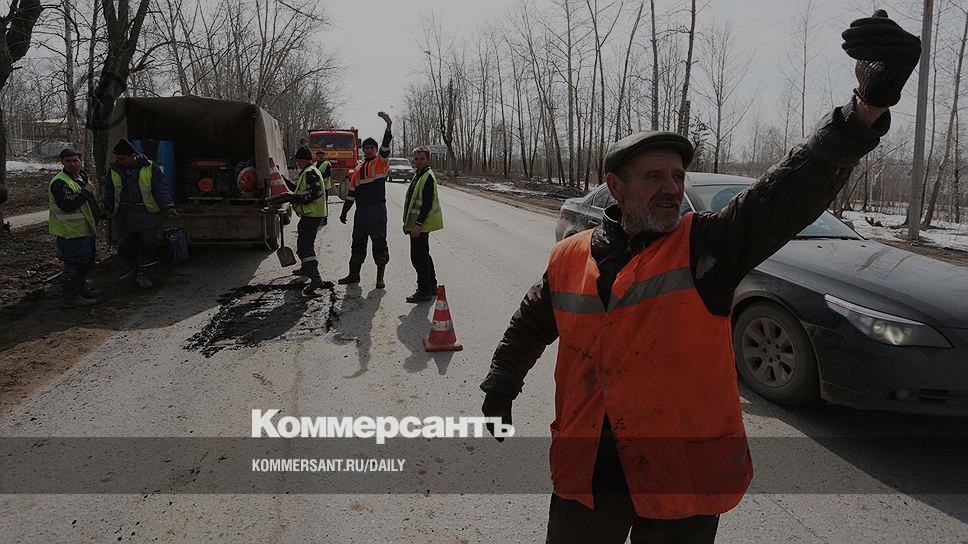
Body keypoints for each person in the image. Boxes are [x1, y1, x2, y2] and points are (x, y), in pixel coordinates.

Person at [479, 11, 920, 544]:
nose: (672, 188)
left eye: (677, 175)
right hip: (588, 469)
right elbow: (531, 322)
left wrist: (864, 111)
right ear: (615, 187)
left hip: (681, 480)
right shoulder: (570, 256)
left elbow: (787, 192)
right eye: (654, 177)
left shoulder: (709, 245)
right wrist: (502, 381)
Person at [102, 138, 177, 289]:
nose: (120, 161)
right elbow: (109, 190)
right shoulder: (114, 170)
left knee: (147, 245)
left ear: (132, 155)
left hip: (146, 215)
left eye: (122, 158)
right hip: (125, 215)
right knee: (125, 246)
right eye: (118, 158)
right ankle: (135, 271)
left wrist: (167, 206)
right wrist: (106, 206)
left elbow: (160, 189)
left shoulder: (150, 168)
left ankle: (145, 274)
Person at [337, 111, 393, 289]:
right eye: (366, 147)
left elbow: (386, 145)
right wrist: (345, 211)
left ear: (375, 149)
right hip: (361, 212)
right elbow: (351, 193)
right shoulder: (358, 169)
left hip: (376, 210)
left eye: (371, 147)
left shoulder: (380, 162)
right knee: (357, 243)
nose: (369, 149)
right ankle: (354, 275)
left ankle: (380, 279)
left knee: (379, 243)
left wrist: (388, 125)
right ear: (363, 149)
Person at [48, 148, 101, 307]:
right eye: (68, 161)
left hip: (84, 230)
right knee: (73, 263)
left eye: (75, 160)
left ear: (80, 161)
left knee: (84, 262)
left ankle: (81, 290)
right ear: (62, 162)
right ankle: (70, 297)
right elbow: (68, 204)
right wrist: (86, 191)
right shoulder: (60, 182)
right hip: (70, 232)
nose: (72, 164)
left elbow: (90, 202)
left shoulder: (82, 177)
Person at [402, 146, 441, 303]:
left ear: (428, 160)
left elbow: (426, 204)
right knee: (424, 256)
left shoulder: (427, 177)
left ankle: (424, 291)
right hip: (418, 224)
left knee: (418, 259)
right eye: (416, 158)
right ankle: (431, 286)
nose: (418, 161)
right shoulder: (419, 174)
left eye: (422, 159)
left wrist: (418, 225)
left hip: (421, 224)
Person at [289, 145, 329, 295]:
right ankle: (305, 269)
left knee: (305, 246)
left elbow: (316, 192)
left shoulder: (310, 172)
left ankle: (315, 277)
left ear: (301, 160)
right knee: (303, 242)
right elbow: (300, 190)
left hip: (312, 214)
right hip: (311, 214)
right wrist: (286, 183)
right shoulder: (308, 171)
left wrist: (299, 200)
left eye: (298, 160)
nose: (297, 163)